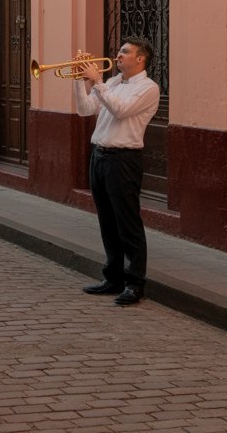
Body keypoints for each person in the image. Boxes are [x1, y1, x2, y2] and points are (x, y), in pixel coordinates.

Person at [75, 38, 160, 306]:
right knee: (107, 222)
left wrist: (97, 81)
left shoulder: (148, 88)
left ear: (140, 59)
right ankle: (113, 277)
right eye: (120, 51)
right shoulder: (112, 83)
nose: (118, 55)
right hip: (99, 156)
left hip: (124, 159)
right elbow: (84, 110)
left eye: (125, 52)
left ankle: (135, 283)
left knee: (127, 222)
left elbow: (121, 111)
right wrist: (79, 80)